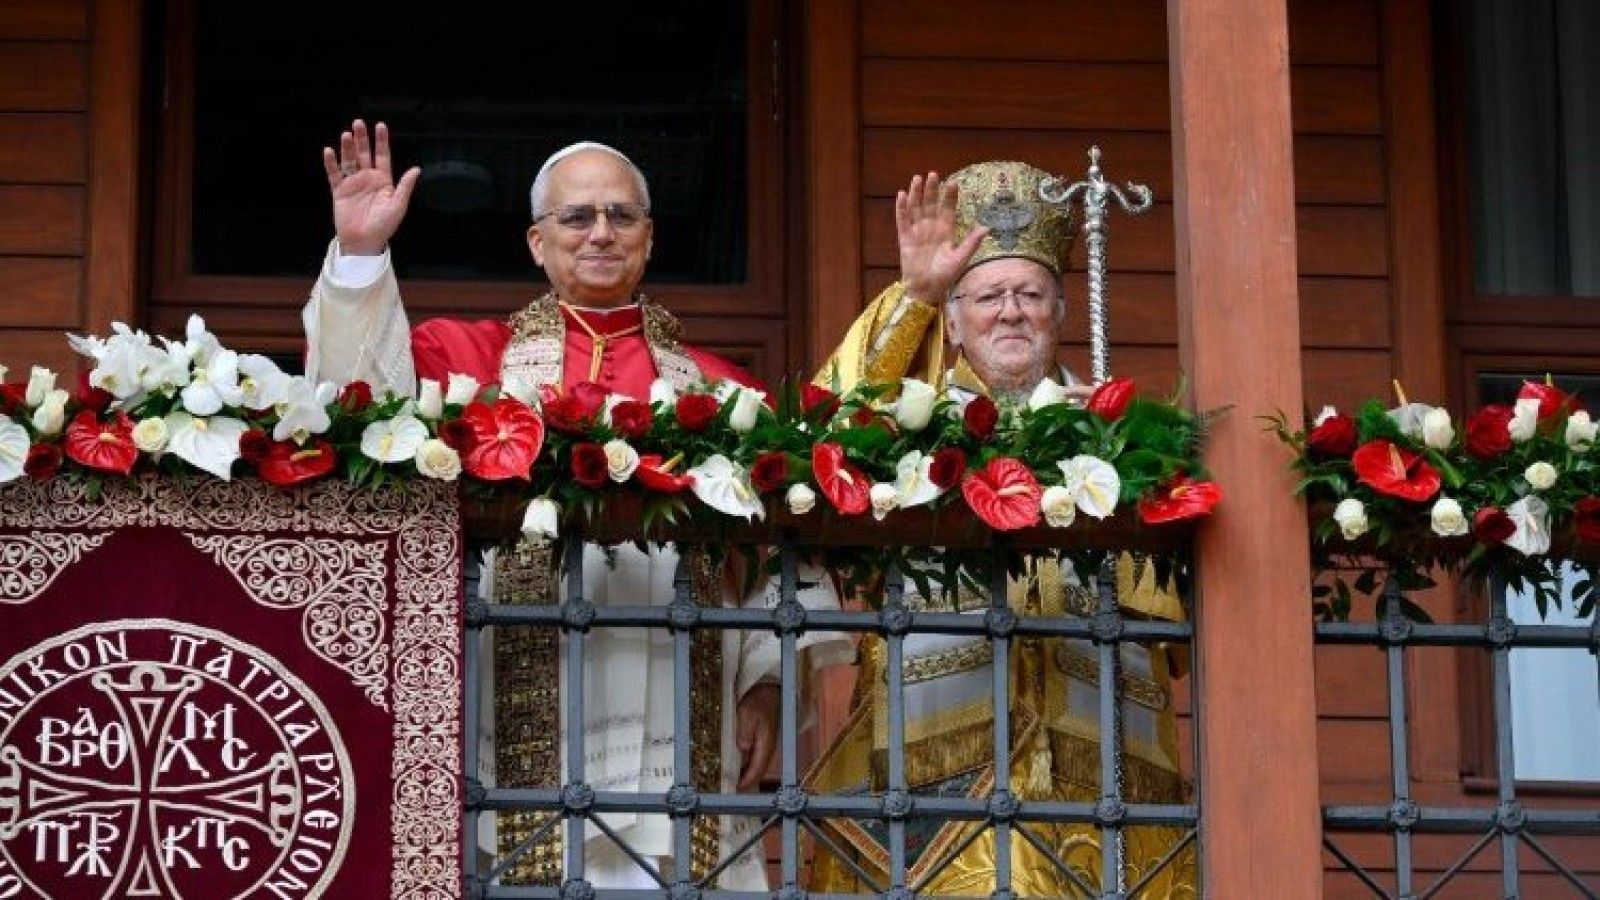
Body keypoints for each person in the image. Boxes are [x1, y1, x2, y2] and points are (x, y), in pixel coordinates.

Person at [302, 121, 848, 889]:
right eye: (577, 216)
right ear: (536, 241)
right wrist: (360, 255)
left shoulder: (727, 391)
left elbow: (776, 559)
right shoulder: (467, 359)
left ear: (649, 238)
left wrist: (765, 685)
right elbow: (354, 407)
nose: (601, 232)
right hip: (509, 705)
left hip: (679, 711)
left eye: (621, 216)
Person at [807, 161, 1198, 896]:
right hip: (934, 780)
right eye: (988, 296)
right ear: (951, 321)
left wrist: (1120, 457)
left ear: (1059, 311)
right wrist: (915, 294)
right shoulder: (904, 425)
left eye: (1030, 295)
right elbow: (817, 436)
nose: (1011, 312)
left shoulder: (1125, 436)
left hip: (1103, 780)